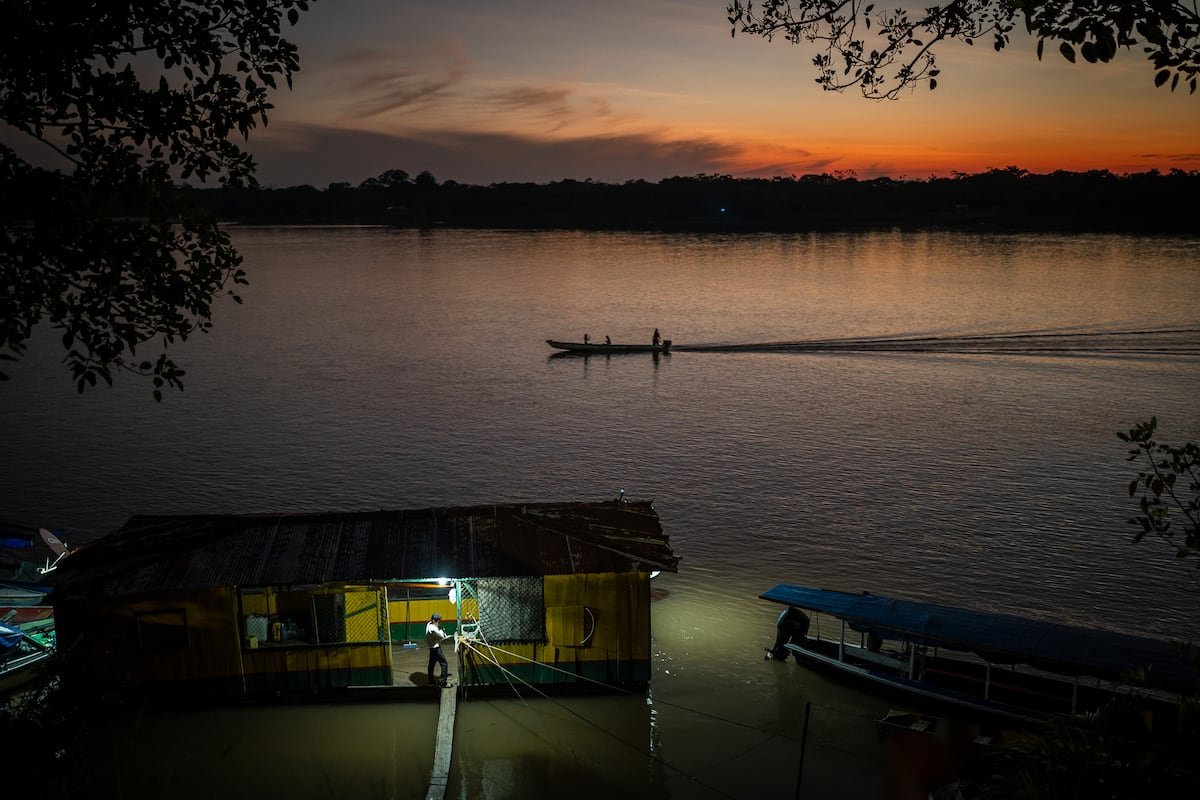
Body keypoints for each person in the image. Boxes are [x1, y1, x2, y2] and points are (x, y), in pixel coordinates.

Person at [426, 612, 450, 687]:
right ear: (433, 620)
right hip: (436, 649)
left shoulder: (429, 624)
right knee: (444, 664)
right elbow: (439, 636)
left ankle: (431, 682)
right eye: (437, 621)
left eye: (438, 621)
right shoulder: (432, 628)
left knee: (431, 665)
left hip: (432, 648)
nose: (438, 623)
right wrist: (442, 634)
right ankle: (443, 683)